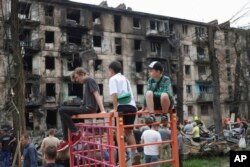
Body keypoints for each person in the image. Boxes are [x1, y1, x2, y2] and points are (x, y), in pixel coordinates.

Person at [57, 67, 106, 151]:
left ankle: (76, 133)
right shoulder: (87, 82)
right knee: (63, 114)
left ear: (81, 74)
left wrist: (102, 110)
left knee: (61, 110)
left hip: (88, 108)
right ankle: (66, 139)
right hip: (85, 107)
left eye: (76, 77)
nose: (76, 80)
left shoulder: (90, 80)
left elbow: (97, 95)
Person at [108, 61, 140, 165]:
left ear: (111, 70)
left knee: (118, 130)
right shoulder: (125, 79)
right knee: (128, 131)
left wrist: (115, 108)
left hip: (122, 107)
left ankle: (123, 152)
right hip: (132, 107)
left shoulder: (113, 79)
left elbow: (114, 95)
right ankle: (135, 153)